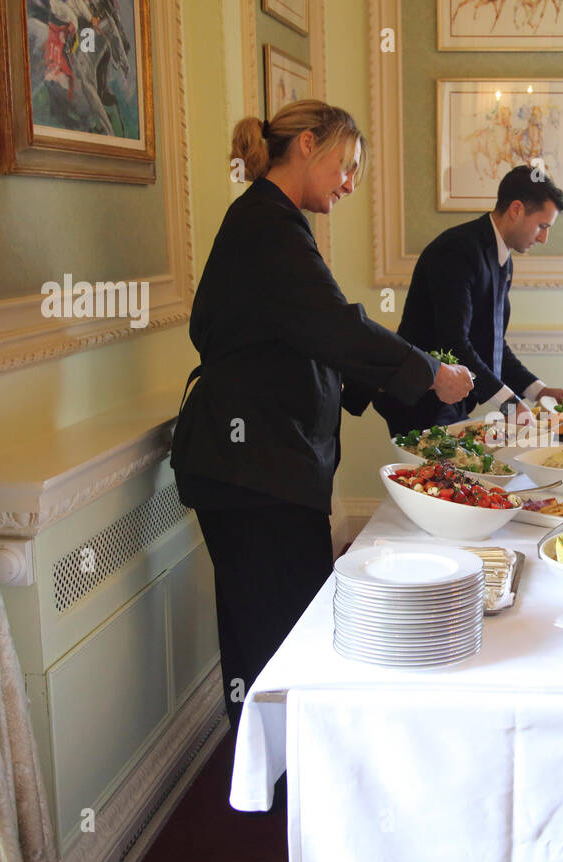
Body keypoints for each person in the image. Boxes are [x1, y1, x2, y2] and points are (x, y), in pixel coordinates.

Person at [169, 101, 474, 733]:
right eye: (347, 165)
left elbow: (316, 338)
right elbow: (337, 329)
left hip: (259, 465)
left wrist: (413, 397)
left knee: (275, 630)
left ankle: (279, 765)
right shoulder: (266, 225)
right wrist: (430, 374)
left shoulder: (275, 220)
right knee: (276, 639)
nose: (350, 183)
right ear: (308, 145)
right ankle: (281, 772)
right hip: (250, 469)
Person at [373, 166, 563, 437]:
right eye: (542, 226)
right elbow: (454, 342)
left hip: (449, 401)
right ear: (516, 209)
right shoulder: (457, 250)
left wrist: (538, 391)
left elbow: (491, 343)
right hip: (421, 401)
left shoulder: (501, 258)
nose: (544, 238)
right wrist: (510, 404)